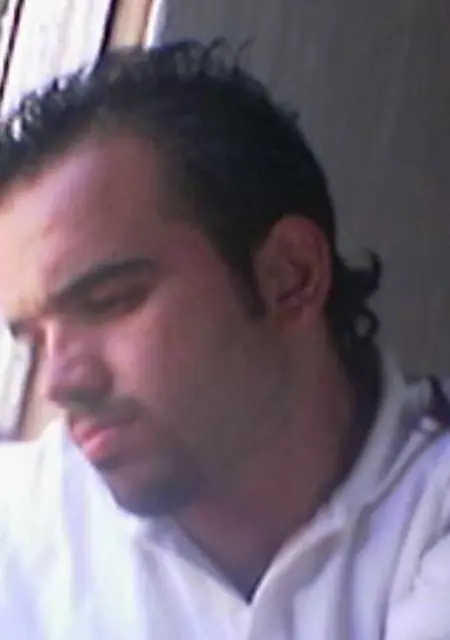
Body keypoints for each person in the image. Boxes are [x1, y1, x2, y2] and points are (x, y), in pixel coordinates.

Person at [0, 40, 448, 640]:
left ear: (290, 277)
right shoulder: (18, 527)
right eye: (32, 339)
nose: (59, 382)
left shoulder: (430, 509)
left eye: (109, 302)